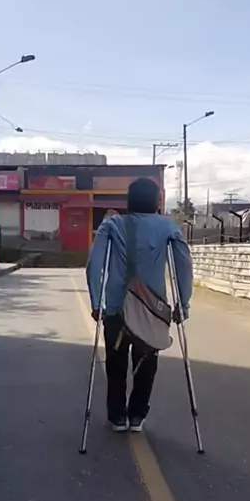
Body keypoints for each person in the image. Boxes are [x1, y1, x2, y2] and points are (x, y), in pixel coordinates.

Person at [86, 178, 193, 433]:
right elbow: (184, 265)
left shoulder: (112, 225)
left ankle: (117, 417)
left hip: (116, 310)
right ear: (157, 203)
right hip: (152, 312)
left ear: (128, 202)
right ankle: (136, 416)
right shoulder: (168, 227)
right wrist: (183, 304)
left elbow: (94, 265)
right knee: (146, 365)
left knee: (116, 365)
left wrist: (96, 302)